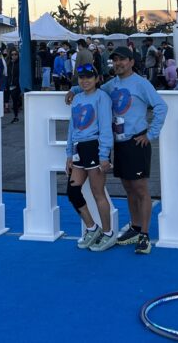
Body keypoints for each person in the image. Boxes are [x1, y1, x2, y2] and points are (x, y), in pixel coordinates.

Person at [65, 46, 167, 255]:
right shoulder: (112, 85)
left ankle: (145, 235)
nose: (118, 63)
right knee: (128, 188)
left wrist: (150, 135)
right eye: (115, 60)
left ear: (131, 61)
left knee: (140, 189)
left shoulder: (141, 83)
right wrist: (74, 90)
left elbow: (161, 107)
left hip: (135, 142)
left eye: (122, 60)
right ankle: (135, 228)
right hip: (118, 143)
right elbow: (91, 86)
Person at [65, 63, 117, 252]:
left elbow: (105, 127)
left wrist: (104, 155)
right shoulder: (77, 98)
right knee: (72, 192)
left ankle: (108, 233)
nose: (85, 81)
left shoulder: (102, 97)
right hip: (79, 149)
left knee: (98, 193)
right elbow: (72, 127)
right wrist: (69, 153)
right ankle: (92, 228)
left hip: (95, 147)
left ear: (97, 79)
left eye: (89, 77)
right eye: (81, 78)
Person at [5, 48, 22, 123]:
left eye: (15, 54)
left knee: (17, 100)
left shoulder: (20, 64)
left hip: (18, 84)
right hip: (11, 84)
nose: (14, 56)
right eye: (12, 54)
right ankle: (16, 116)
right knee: (14, 100)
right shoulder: (9, 64)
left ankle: (17, 114)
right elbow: (7, 74)